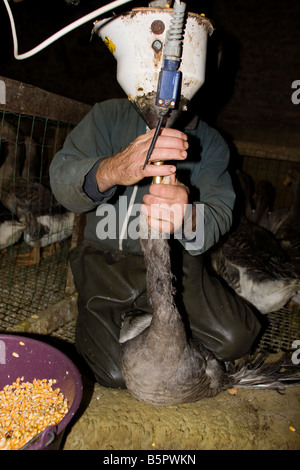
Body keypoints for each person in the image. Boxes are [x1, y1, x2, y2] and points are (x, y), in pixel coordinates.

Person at [49, 98, 262, 388]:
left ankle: (155, 328)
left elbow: (220, 211)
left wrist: (187, 217)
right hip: (106, 262)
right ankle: (141, 326)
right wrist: (112, 169)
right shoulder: (108, 116)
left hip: (175, 267)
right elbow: (62, 179)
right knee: (115, 373)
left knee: (236, 338)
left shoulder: (210, 141)